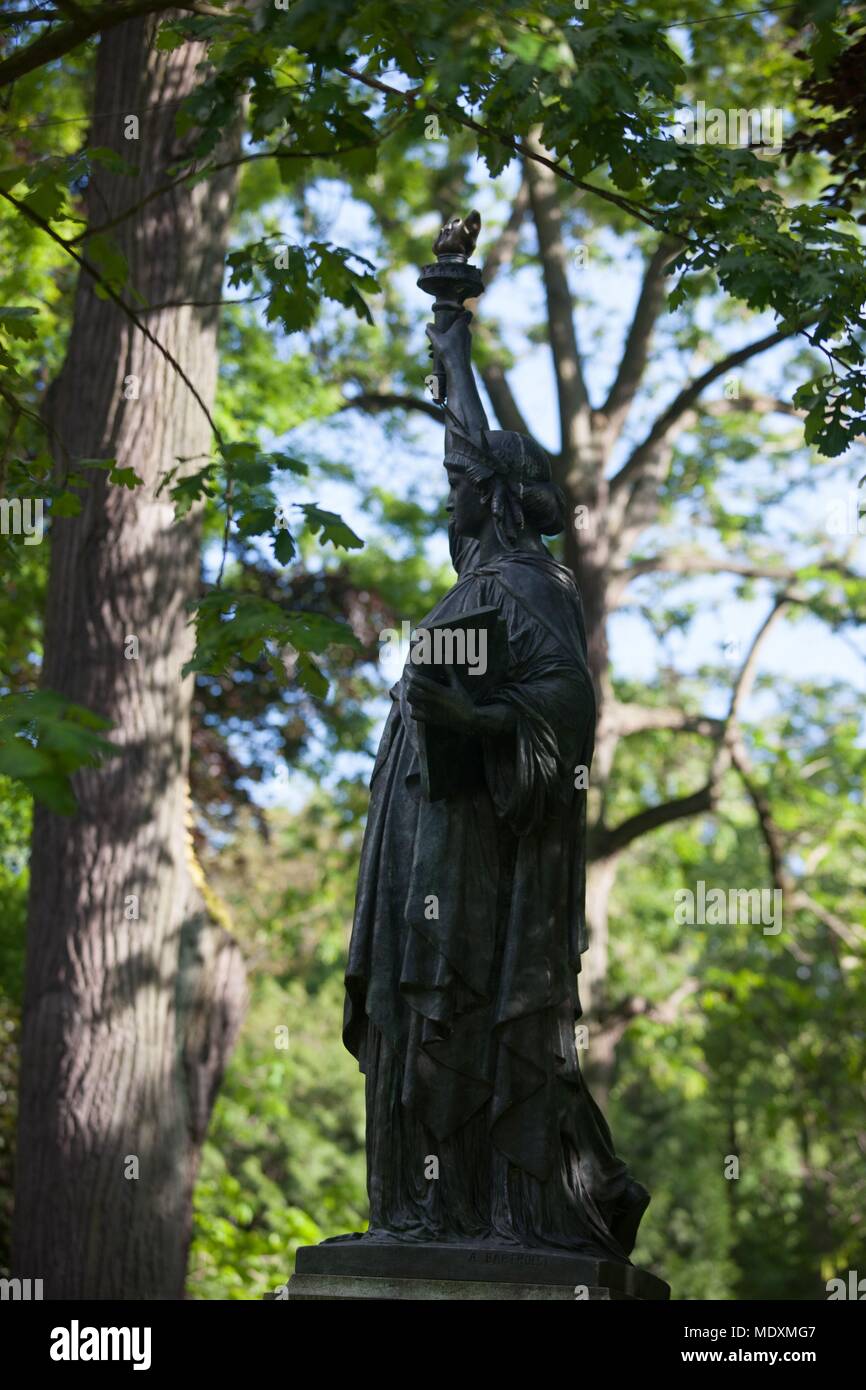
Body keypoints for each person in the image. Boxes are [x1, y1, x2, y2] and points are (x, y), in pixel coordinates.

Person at [342, 311, 649, 1258]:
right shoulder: (474, 585)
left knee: (450, 1008)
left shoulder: (525, 585)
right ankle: (419, 1214)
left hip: (468, 848)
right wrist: (448, 335)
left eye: (460, 485)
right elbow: (468, 444)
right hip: (414, 836)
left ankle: (468, 1212)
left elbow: (566, 705)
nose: (448, 495)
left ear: (496, 499)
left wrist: (477, 723)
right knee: (408, 1012)